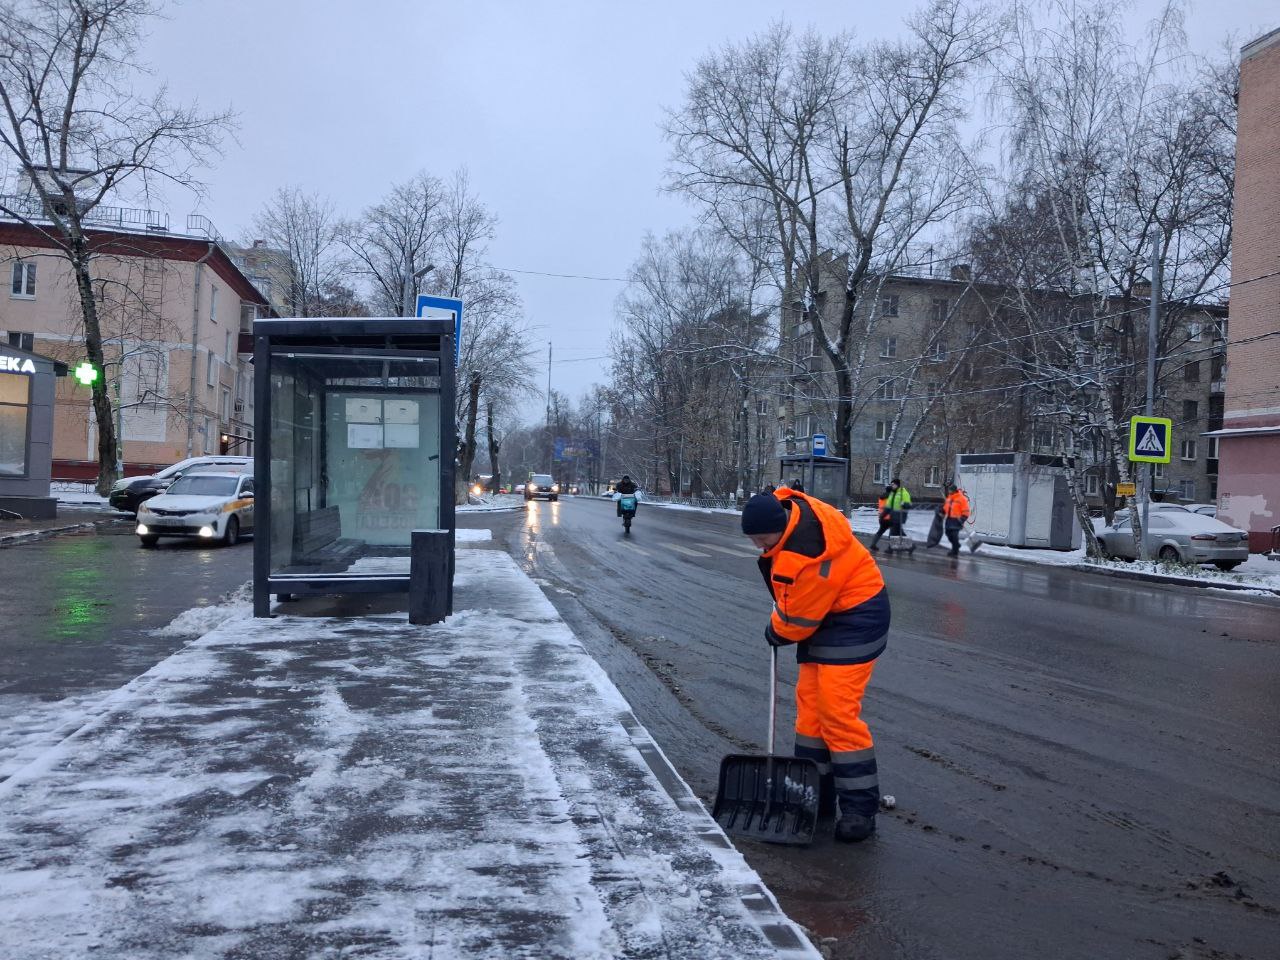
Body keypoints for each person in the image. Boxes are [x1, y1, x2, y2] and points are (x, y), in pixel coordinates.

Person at [740, 488, 891, 843]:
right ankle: (816, 794)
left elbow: (797, 624)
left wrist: (776, 629)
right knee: (810, 709)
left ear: (780, 527)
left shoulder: (805, 555)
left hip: (857, 618)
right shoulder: (788, 517)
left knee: (836, 712)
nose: (759, 546)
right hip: (826, 612)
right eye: (753, 539)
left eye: (762, 539)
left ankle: (859, 810)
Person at [870, 478, 912, 552]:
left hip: (899, 517)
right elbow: (888, 506)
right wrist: (883, 515)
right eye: (891, 484)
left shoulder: (903, 493)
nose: (892, 486)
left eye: (893, 484)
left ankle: (891, 548)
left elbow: (909, 505)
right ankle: (909, 547)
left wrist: (904, 504)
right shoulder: (892, 494)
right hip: (892, 517)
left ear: (897, 485)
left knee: (893, 532)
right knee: (898, 532)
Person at [941, 482, 970, 557]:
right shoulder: (949, 498)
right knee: (948, 534)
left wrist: (963, 518)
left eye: (950, 490)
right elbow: (946, 508)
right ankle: (956, 545)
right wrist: (942, 512)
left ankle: (955, 551)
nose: (949, 491)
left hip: (957, 521)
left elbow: (966, 510)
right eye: (949, 490)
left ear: (954, 490)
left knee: (954, 536)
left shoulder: (962, 499)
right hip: (949, 520)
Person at [868, 485, 894, 551]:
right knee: (892, 533)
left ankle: (873, 544)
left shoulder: (881, 497)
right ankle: (890, 548)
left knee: (880, 532)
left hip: (882, 518)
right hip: (890, 518)